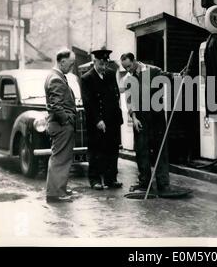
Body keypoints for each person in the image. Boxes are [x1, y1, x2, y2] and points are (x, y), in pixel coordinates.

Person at [120, 52, 183, 195]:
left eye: (129, 66)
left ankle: (163, 184)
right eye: (125, 68)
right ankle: (144, 182)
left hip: (156, 118)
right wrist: (134, 118)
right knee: (141, 151)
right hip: (140, 119)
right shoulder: (128, 79)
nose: (128, 70)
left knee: (160, 150)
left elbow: (168, 76)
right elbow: (130, 100)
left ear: (135, 60)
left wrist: (179, 75)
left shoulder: (152, 71)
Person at [81, 49, 123, 190]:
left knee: (112, 150)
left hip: (112, 120)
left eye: (106, 63)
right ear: (94, 62)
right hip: (96, 121)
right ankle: (95, 180)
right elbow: (88, 102)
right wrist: (98, 120)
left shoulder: (111, 74)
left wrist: (118, 117)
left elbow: (115, 95)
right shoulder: (87, 78)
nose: (104, 67)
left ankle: (111, 179)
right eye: (101, 63)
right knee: (96, 151)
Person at [44, 48, 77, 203]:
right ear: (62, 61)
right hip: (61, 125)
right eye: (70, 64)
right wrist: (67, 120)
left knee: (60, 158)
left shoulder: (55, 76)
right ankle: (56, 193)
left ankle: (58, 188)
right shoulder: (56, 78)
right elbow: (56, 105)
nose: (71, 67)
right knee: (60, 159)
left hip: (59, 125)